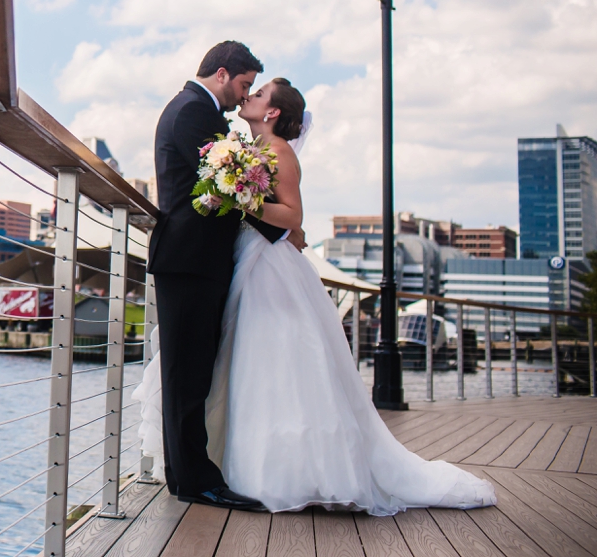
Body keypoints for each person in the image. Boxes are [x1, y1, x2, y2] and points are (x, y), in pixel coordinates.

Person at [138, 76, 496, 514]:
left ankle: (290, 471)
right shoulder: (249, 150)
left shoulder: (280, 151)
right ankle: (237, 464)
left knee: (277, 364)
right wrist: (237, 191)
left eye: (258, 92)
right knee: (249, 363)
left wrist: (238, 196)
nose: (249, 96)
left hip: (267, 267)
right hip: (243, 260)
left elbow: (292, 215)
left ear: (271, 112)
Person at [145, 40, 266, 510]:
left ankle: (186, 476)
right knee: (187, 375)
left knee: (190, 373)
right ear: (221, 73)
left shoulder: (198, 109)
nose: (242, 95)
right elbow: (221, 182)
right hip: (190, 259)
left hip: (195, 260)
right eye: (243, 84)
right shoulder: (194, 111)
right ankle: (197, 480)